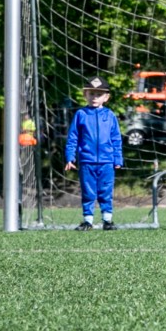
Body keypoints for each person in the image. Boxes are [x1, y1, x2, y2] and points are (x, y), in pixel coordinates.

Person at [63, 77, 124, 231]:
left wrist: (118, 159)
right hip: (87, 161)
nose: (95, 97)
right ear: (85, 95)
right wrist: (70, 157)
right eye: (91, 94)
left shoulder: (110, 115)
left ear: (106, 97)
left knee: (105, 191)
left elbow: (116, 139)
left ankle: (107, 220)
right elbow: (73, 137)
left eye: (99, 94)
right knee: (88, 192)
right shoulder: (81, 114)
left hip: (106, 162)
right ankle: (88, 221)